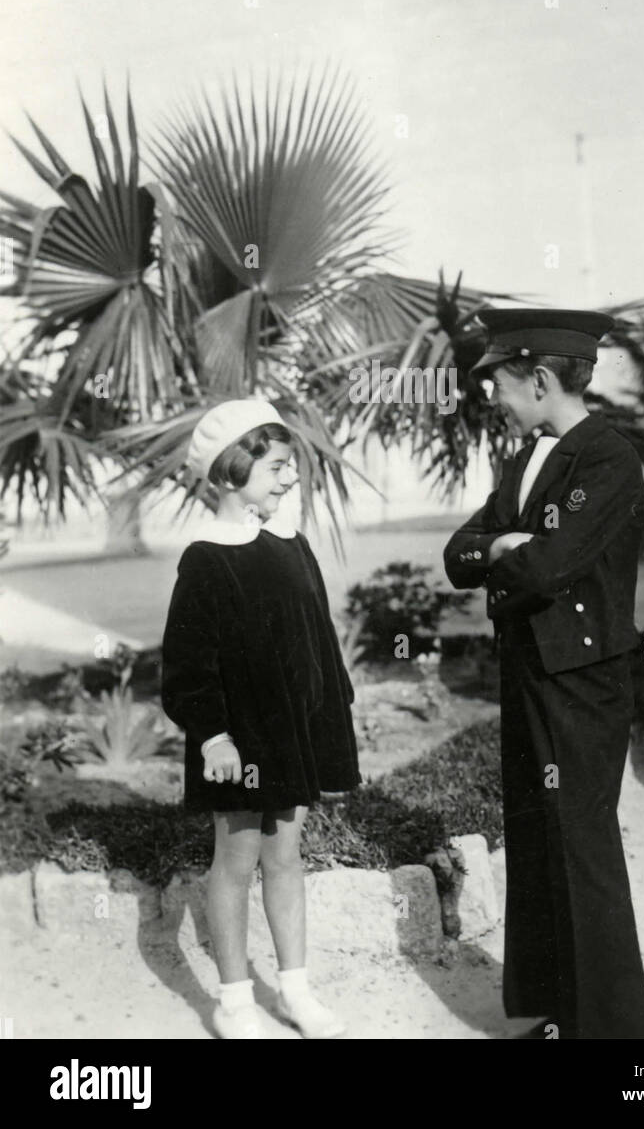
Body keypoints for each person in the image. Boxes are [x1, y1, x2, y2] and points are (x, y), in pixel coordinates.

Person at [443, 309, 644, 1040]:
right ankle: (561, 1017)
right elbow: (457, 554)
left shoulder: (605, 458)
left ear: (537, 379)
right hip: (531, 669)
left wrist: (507, 548)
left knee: (580, 845)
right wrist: (505, 539)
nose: (494, 400)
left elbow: (546, 566)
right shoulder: (524, 458)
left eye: (499, 383)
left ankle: (618, 1034)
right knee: (535, 841)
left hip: (581, 680)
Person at [161, 398, 360, 1040]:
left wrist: (332, 715)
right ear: (229, 472)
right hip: (239, 741)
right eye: (275, 466)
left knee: (286, 856)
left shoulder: (291, 545)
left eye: (289, 467)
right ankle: (235, 1000)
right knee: (237, 859)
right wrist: (212, 733)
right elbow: (188, 662)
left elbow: (318, 638)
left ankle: (296, 990)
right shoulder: (206, 558)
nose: (288, 478)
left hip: (292, 734)